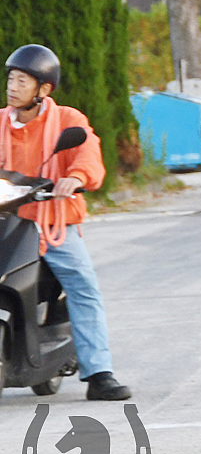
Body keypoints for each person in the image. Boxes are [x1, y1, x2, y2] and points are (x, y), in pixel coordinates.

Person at [1, 45, 131, 400]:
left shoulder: (68, 121)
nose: (12, 86)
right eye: (11, 78)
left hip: (52, 222)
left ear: (43, 89)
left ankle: (99, 372)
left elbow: (89, 154)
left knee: (83, 285)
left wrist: (75, 177)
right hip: (6, 223)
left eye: (22, 80)